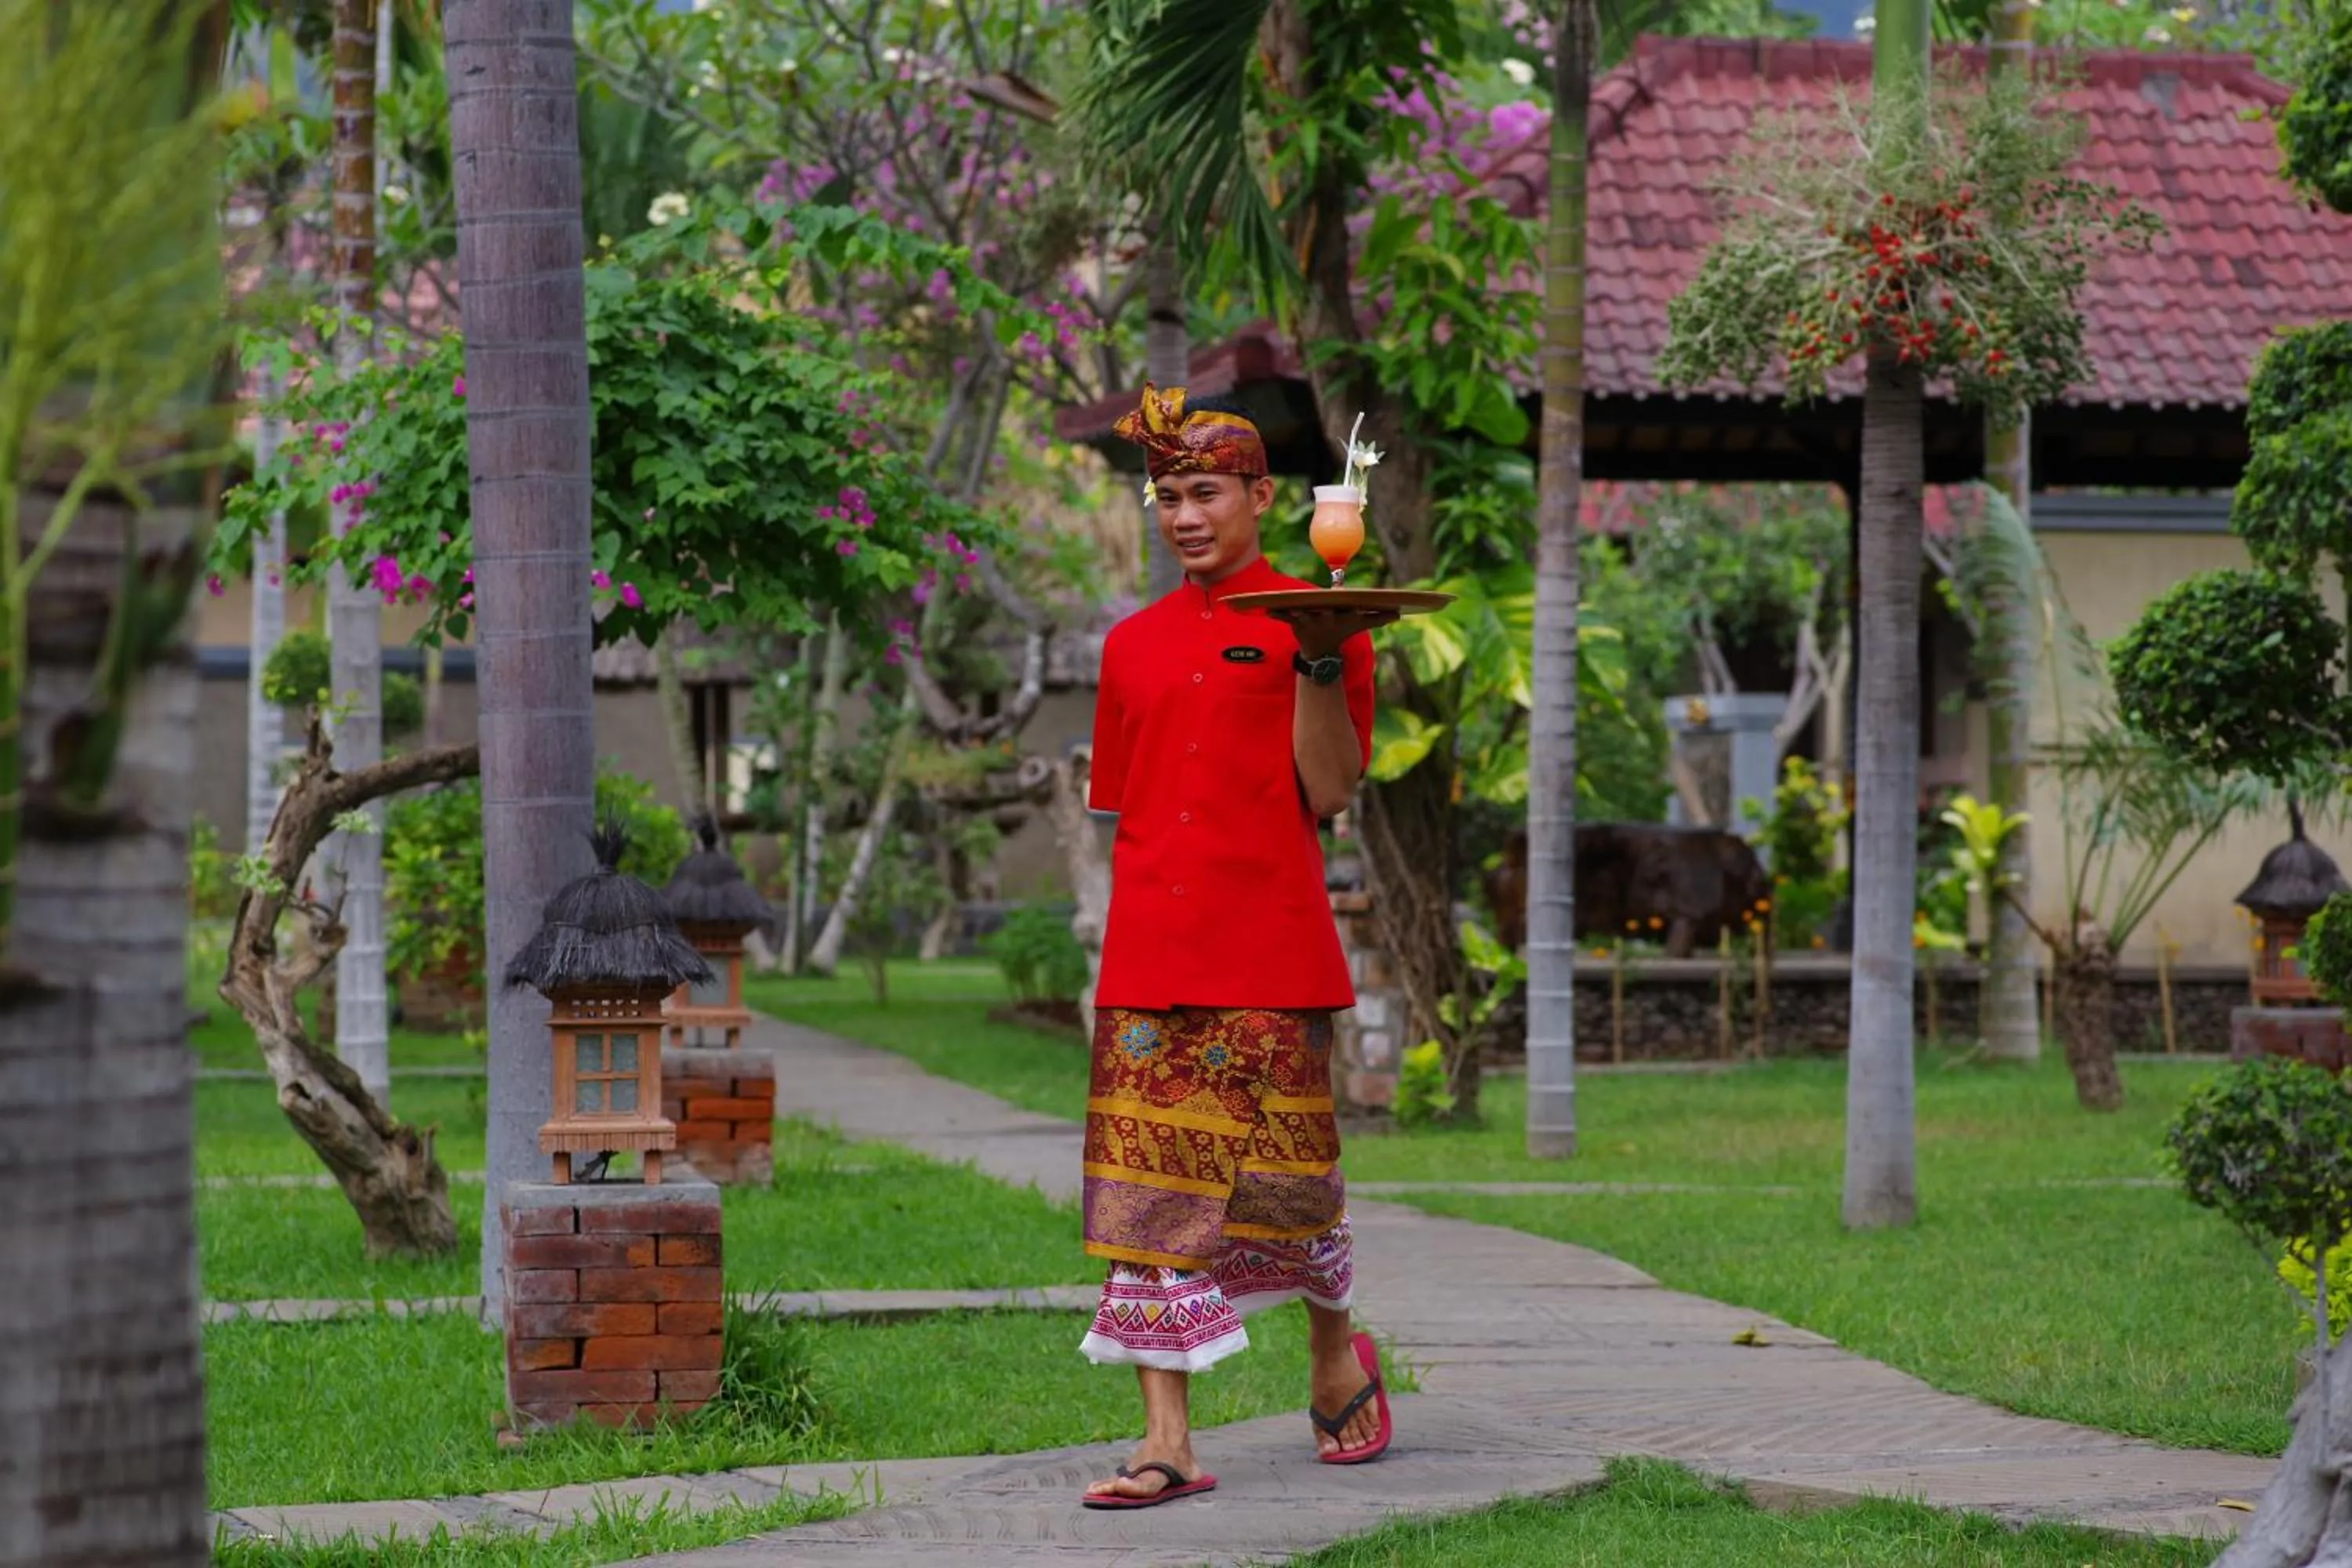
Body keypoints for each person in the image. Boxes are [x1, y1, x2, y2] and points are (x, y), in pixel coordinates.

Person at [1077, 384, 1399, 1510]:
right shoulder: (1128, 647)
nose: (1182, 515)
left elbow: (1331, 788)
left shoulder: (1333, 623)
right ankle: (1166, 1440)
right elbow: (1124, 807)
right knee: (1145, 1205)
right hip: (1150, 966)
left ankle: (1331, 1349)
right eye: (1166, 495)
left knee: (1292, 1194)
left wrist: (1317, 659)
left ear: (1264, 496)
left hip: (1271, 956)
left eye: (1205, 491)